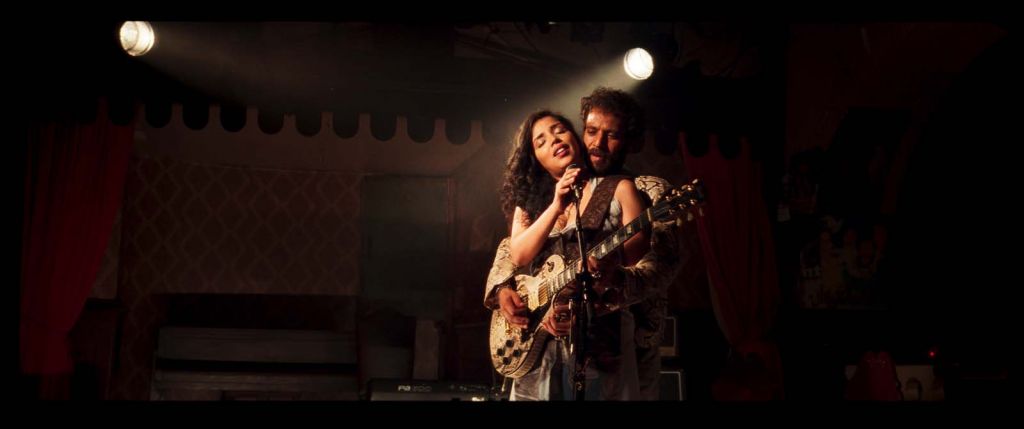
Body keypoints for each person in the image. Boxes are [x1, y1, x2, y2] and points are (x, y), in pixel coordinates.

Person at [484, 87, 689, 400]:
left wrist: (598, 293)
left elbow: (656, 263)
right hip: (538, 341)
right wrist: (502, 289)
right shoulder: (537, 197)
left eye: (612, 135)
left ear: (629, 140)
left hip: (613, 338)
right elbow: (510, 250)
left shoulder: (642, 189)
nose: (598, 144)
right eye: (591, 131)